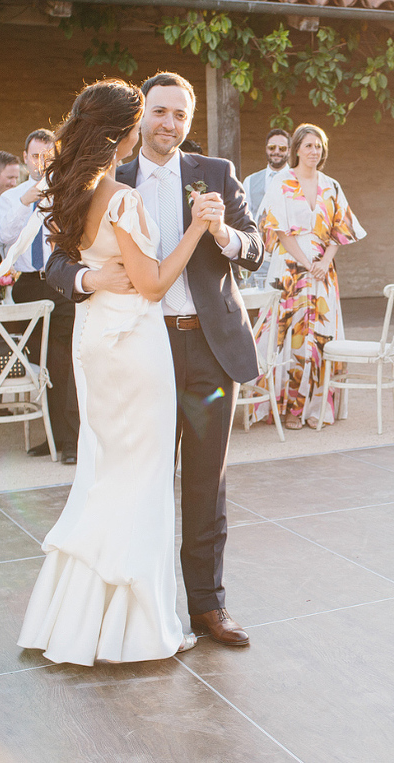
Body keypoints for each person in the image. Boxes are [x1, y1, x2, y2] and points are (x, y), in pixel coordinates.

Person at [0, 79, 230, 664]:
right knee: (139, 478)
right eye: (147, 117)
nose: (155, 127)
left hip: (98, 346)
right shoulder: (120, 196)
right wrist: (195, 227)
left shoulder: (72, 191)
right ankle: (133, 625)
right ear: (126, 131)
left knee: (106, 472)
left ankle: (84, 616)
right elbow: (153, 282)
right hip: (136, 347)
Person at [47, 71, 264, 648]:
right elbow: (55, 261)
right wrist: (89, 275)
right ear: (141, 117)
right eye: (160, 112)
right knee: (139, 480)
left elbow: (257, 247)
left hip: (209, 349)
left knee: (204, 481)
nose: (170, 124)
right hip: (142, 351)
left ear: (190, 122)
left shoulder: (214, 174)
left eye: (181, 116)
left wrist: (224, 234)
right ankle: (141, 609)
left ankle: (207, 608)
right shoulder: (108, 178)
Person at [260, 123, 366, 429]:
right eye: (308, 146)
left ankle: (317, 405)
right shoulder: (281, 181)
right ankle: (290, 407)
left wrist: (324, 261)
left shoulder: (331, 185)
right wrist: (307, 263)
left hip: (323, 270)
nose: (313, 151)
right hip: (291, 269)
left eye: (318, 146)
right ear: (296, 149)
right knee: (292, 337)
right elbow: (278, 230)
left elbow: (340, 229)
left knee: (320, 336)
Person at [0, 129, 79, 464]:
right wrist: (28, 198)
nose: (41, 162)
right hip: (28, 285)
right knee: (43, 363)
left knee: (66, 362)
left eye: (48, 156)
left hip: (60, 282)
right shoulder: (12, 197)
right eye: (35, 156)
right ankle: (52, 436)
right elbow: (5, 235)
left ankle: (72, 440)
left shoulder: (68, 192)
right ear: (26, 157)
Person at [244, 128, 292, 288]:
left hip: (290, 254)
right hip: (261, 257)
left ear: (289, 151)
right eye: (272, 147)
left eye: (282, 148)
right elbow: (246, 220)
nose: (277, 152)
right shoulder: (250, 181)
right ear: (266, 148)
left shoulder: (297, 180)